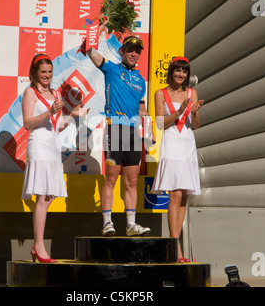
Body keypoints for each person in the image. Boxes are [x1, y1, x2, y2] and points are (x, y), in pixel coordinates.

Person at [87, 20, 151, 237]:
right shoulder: (112, 69)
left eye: (137, 51)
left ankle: (131, 224)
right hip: (115, 130)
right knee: (111, 179)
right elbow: (90, 50)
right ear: (122, 51)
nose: (133, 54)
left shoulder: (141, 81)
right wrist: (99, 29)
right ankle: (107, 222)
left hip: (134, 134)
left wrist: (148, 134)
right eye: (130, 50)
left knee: (132, 180)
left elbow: (142, 110)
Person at [21, 53, 87, 262]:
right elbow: (28, 124)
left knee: (48, 197)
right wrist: (49, 111)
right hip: (39, 145)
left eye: (50, 72)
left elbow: (58, 126)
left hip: (52, 145)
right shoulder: (30, 92)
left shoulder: (55, 93)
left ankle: (38, 245)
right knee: (42, 196)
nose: (47, 75)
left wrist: (72, 115)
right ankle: (38, 246)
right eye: (43, 72)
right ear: (35, 73)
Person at [151, 56, 204, 262]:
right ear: (171, 72)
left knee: (184, 196)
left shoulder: (192, 93)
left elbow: (196, 125)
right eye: (177, 71)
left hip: (187, 145)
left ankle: (177, 245)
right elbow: (160, 124)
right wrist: (180, 111)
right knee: (174, 195)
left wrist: (195, 113)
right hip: (172, 144)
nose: (181, 75)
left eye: (184, 71)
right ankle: (176, 247)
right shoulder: (160, 93)